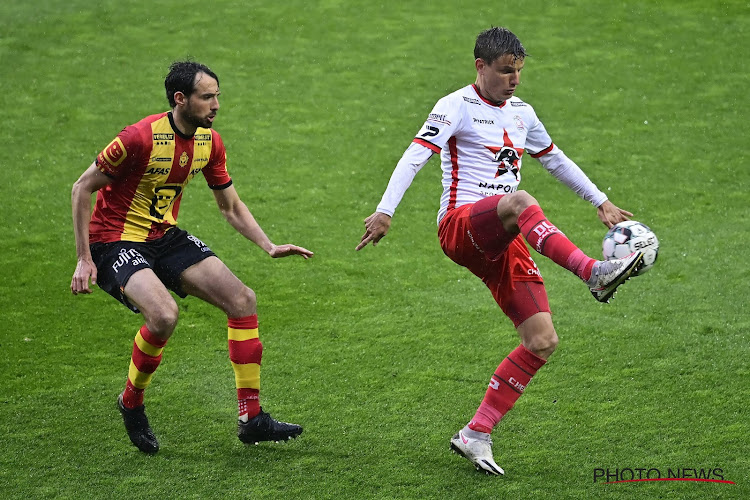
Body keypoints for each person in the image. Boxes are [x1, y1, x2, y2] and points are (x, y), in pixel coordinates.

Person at [356, 28, 643, 475]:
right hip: (461, 226)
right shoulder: (455, 106)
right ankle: (592, 272)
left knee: (542, 341)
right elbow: (415, 155)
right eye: (506, 71)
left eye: (519, 71)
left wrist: (599, 200)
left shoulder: (523, 113)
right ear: (481, 67)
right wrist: (385, 211)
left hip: (506, 237)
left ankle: (476, 433)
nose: (514, 79)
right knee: (521, 200)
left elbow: (554, 158)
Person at [71, 61, 313, 454]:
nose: (216, 104)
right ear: (181, 99)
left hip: (163, 235)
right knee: (164, 316)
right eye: (207, 97)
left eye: (218, 95)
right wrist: (85, 259)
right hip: (114, 240)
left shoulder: (209, 141)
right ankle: (131, 400)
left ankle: (251, 418)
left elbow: (230, 206)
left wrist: (268, 245)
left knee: (242, 300)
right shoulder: (138, 138)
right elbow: (82, 188)